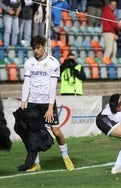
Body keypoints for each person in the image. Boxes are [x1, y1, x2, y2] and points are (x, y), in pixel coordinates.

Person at [20, 35, 74, 172]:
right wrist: (23, 101)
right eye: (34, 49)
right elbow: (27, 83)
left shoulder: (53, 63)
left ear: (44, 46)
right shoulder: (29, 63)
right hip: (32, 103)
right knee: (34, 133)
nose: (36, 51)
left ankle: (66, 156)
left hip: (46, 103)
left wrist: (50, 107)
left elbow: (52, 86)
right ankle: (36, 163)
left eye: (38, 48)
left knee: (56, 131)